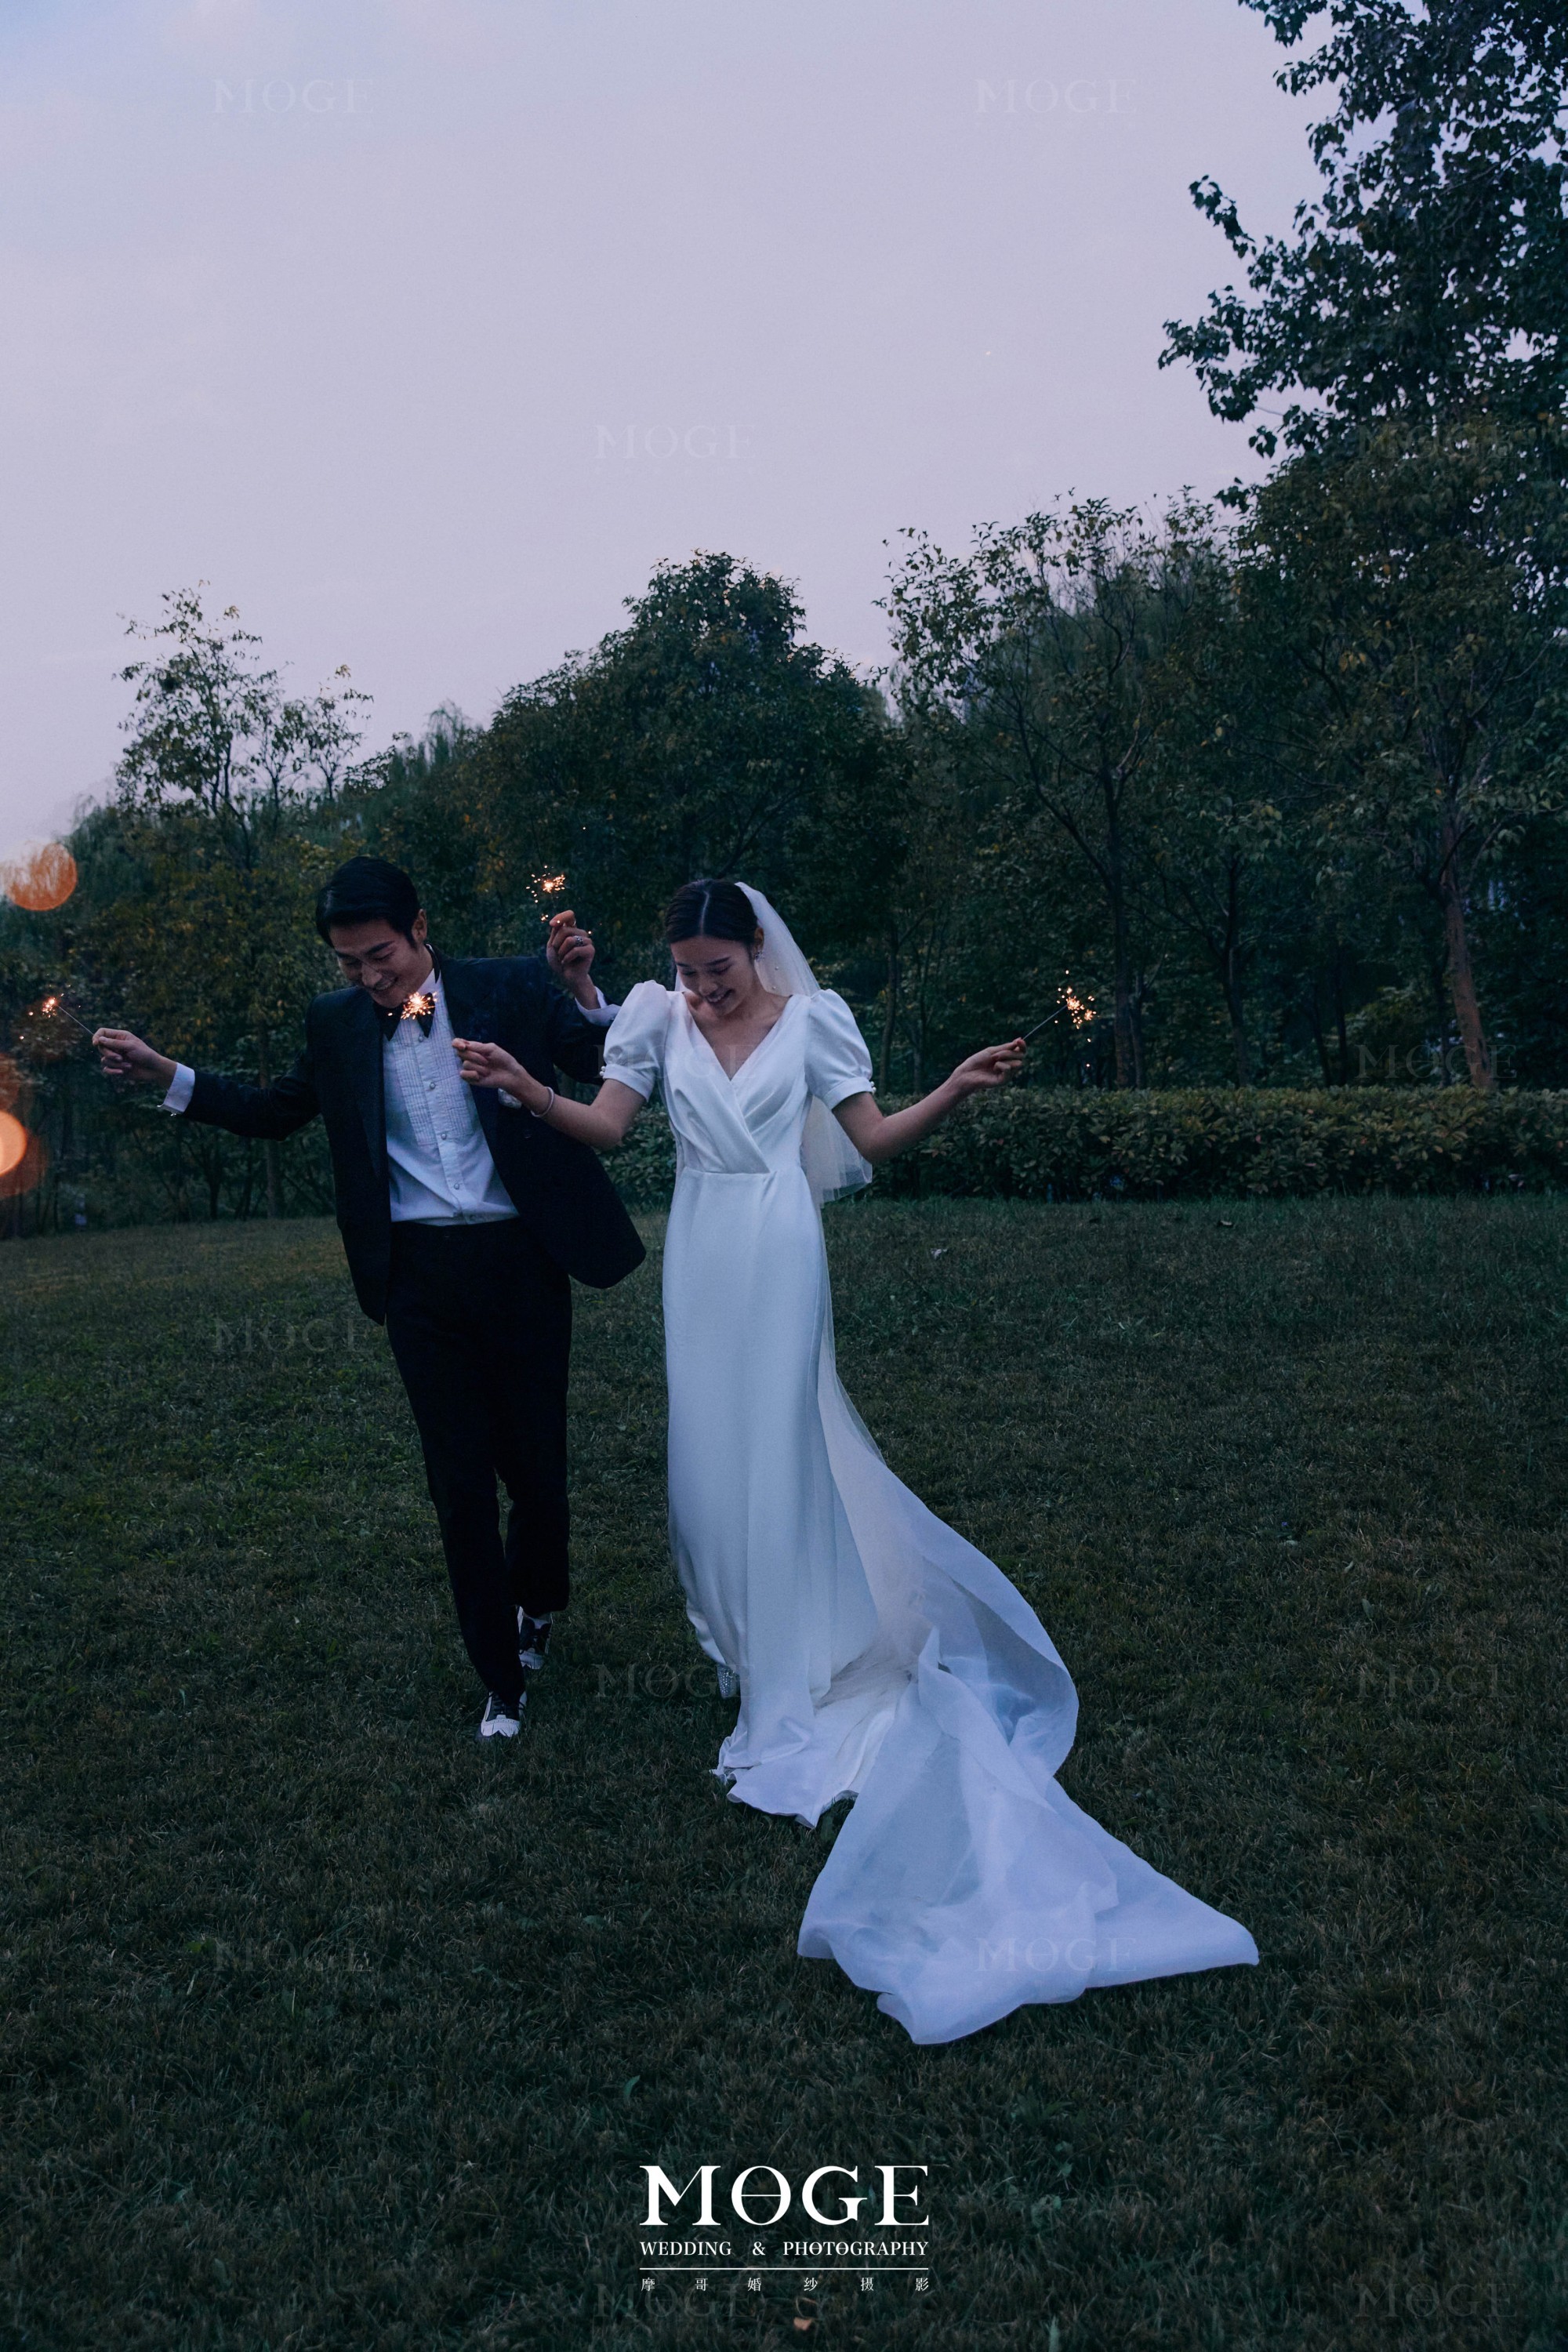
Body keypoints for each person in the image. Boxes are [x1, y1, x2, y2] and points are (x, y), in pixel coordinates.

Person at [453, 878, 1258, 2044]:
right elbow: (611, 1128)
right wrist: (529, 1090)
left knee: (780, 1446)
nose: (700, 987)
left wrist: (954, 1089)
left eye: (717, 968)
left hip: (780, 1243)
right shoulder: (653, 1017)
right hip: (702, 1245)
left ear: (756, 948)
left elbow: (869, 1139)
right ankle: (743, 1645)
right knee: (704, 1471)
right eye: (685, 969)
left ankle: (795, 1663)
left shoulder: (815, 1022)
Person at [93, 856, 644, 1743]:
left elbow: (597, 1059)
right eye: (349, 963)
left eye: (379, 955)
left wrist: (580, 987)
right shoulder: (336, 1022)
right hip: (417, 1277)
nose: (369, 977)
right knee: (457, 1480)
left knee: (537, 1471)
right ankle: (499, 1679)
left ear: (418, 927)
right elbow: (274, 1110)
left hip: (520, 1260)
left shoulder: (506, 984)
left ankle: (537, 1601)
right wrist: (167, 1073)